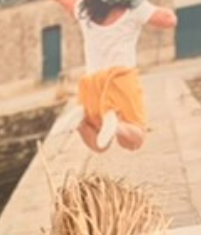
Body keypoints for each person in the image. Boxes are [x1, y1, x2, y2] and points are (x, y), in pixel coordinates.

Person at [52, 0, 179, 152]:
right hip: (120, 80)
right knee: (134, 140)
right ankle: (117, 125)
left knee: (99, 147)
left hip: (92, 82)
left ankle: (82, 122)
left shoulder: (83, 11)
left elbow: (67, 3)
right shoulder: (135, 9)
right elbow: (170, 20)